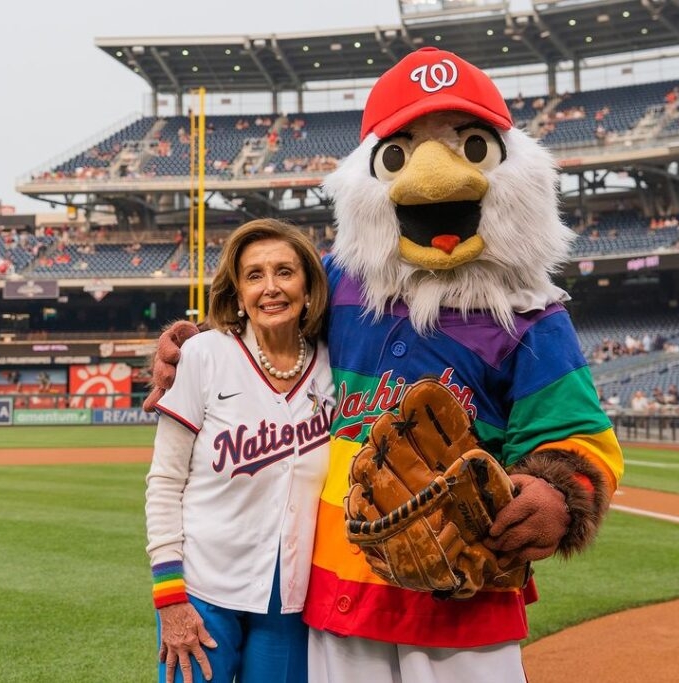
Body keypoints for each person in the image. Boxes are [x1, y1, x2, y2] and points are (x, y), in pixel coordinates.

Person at [146, 48, 623, 683]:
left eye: (470, 146)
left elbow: (580, 439)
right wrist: (199, 346)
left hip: (463, 588)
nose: (432, 179)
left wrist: (559, 494)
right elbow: (268, 329)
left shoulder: (530, 313)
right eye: (398, 155)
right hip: (341, 582)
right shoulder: (341, 282)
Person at [145, 219, 333, 683]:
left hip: (291, 597)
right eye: (254, 275)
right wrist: (170, 598)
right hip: (202, 590)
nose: (271, 288)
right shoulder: (204, 355)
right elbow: (165, 482)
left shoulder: (335, 363)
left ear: (308, 286)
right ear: (237, 292)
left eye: (285, 272)